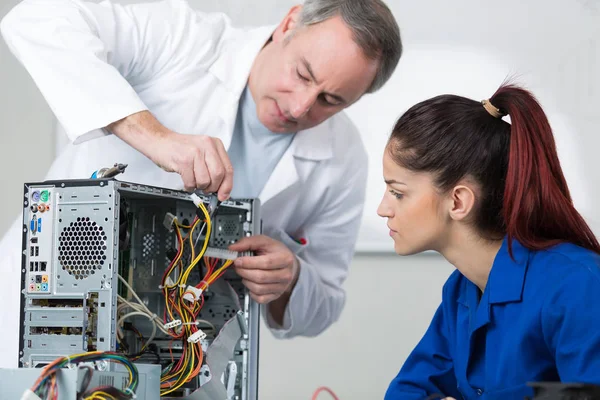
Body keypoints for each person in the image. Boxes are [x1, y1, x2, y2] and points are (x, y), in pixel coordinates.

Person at [0, 0, 402, 367]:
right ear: (289, 23)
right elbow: (35, 19)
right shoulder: (186, 40)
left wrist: (291, 277)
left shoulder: (343, 158)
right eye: (301, 73)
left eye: (330, 101)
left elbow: (324, 305)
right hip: (50, 310)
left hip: (180, 360)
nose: (299, 106)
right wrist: (154, 136)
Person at [377, 83, 600, 399]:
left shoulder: (578, 286)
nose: (383, 209)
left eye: (398, 193)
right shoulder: (460, 290)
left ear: (458, 202)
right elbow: (407, 391)